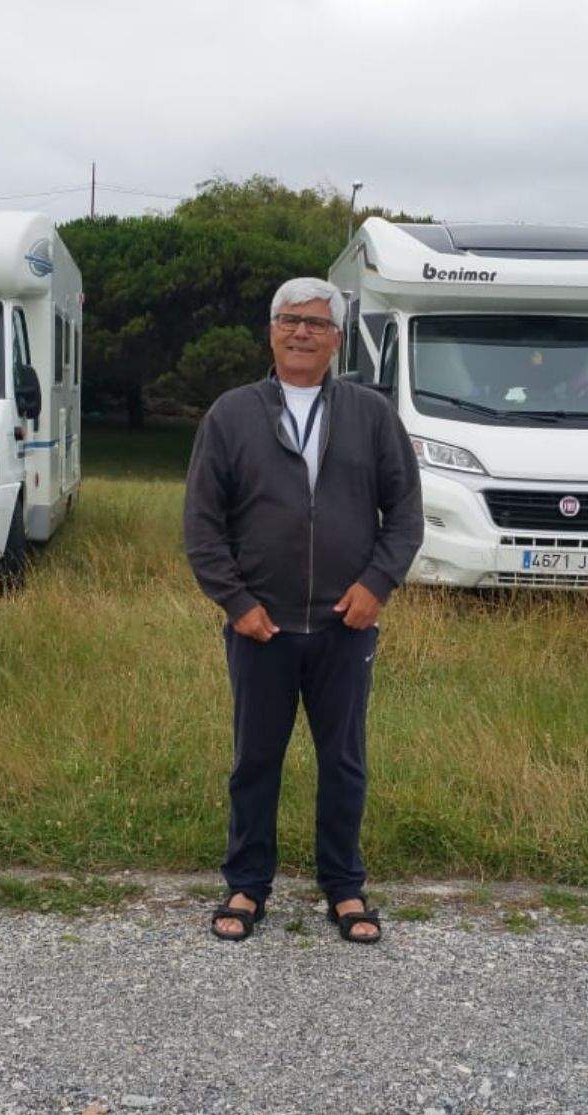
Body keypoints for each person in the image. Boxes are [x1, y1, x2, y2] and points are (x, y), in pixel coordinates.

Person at [181, 277, 424, 944]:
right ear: (270, 330)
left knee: (343, 761)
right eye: (289, 320)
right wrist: (237, 604)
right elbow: (202, 526)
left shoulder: (372, 415)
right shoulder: (231, 415)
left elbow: (405, 515)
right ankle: (245, 884)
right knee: (255, 760)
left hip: (347, 625)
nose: (301, 332)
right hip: (262, 627)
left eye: (316, 323)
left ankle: (344, 887)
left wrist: (377, 584)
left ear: (337, 339)